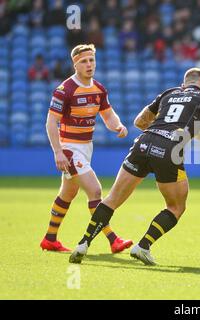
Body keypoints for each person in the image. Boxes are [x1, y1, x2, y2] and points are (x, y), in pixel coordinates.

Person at [69, 68, 200, 265]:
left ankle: (83, 244)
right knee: (176, 207)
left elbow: (139, 121)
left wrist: (161, 129)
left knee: (112, 199)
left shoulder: (169, 93)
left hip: (144, 142)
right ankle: (143, 246)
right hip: (169, 149)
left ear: (184, 84)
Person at [41, 44, 133, 253]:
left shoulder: (98, 89)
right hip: (69, 149)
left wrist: (117, 126)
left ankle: (50, 238)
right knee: (95, 190)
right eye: (84, 61)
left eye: (92, 60)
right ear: (75, 64)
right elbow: (50, 123)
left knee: (67, 193)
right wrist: (58, 151)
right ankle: (113, 239)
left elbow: (108, 115)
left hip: (86, 148)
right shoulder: (65, 90)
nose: (89, 64)